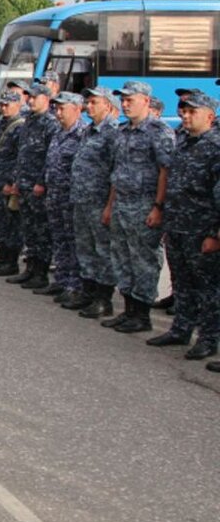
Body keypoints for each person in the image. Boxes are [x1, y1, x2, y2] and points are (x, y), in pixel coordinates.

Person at [146, 92, 220, 360]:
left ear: (209, 116)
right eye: (184, 112)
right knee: (182, 282)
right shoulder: (183, 142)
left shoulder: (215, 146)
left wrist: (215, 234)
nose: (186, 117)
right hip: (178, 225)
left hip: (202, 230)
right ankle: (181, 329)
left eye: (193, 112)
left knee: (208, 287)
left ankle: (209, 338)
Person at [102, 81, 174, 334]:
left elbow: (165, 171)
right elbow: (116, 172)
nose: (125, 104)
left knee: (144, 260)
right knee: (122, 258)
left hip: (144, 205)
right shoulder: (122, 132)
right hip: (122, 202)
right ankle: (129, 310)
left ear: (145, 100)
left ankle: (142, 315)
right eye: (123, 100)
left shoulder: (159, 131)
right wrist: (110, 206)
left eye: (130, 100)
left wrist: (158, 207)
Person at [71, 87, 120, 319]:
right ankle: (88, 292)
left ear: (108, 106)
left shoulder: (112, 133)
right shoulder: (89, 131)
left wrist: (110, 206)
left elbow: (115, 173)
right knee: (85, 248)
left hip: (99, 202)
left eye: (94, 103)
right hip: (82, 199)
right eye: (87, 102)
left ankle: (103, 299)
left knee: (103, 251)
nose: (88, 106)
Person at [6, 83, 59, 289]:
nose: (30, 100)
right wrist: (17, 181)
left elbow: (50, 157)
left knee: (41, 230)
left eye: (34, 97)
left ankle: (41, 272)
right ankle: (30, 269)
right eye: (29, 97)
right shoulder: (29, 120)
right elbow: (22, 154)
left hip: (38, 185)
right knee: (29, 228)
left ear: (46, 99)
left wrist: (41, 182)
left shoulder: (50, 123)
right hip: (24, 183)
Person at [40, 92, 88, 306]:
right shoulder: (59, 133)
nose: (58, 114)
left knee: (73, 241)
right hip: (55, 196)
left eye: (62, 109)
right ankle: (61, 279)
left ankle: (74, 285)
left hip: (71, 198)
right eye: (56, 109)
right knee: (59, 240)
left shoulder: (83, 134)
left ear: (77, 109)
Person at [0, 92, 25, 276]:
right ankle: (3, 258)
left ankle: (11, 261)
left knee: (11, 223)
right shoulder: (2, 124)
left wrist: (12, 181)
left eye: (7, 104)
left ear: (18, 104)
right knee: (1, 222)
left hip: (8, 182)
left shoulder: (19, 126)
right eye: (1, 105)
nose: (3, 108)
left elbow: (20, 157)